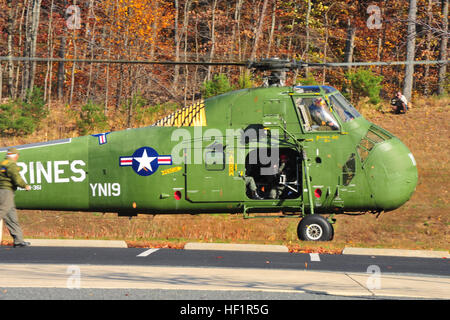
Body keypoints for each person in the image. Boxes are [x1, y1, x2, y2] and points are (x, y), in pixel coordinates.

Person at [0, 148, 31, 248]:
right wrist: (25, 185)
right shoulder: (11, 164)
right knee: (2, 212)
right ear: (15, 155)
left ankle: (18, 240)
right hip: (6, 192)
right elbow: (16, 177)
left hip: (4, 191)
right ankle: (18, 240)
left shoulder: (3, 163)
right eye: (17, 155)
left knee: (11, 217)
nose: (17, 157)